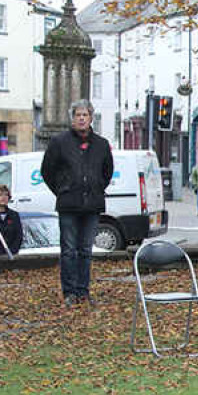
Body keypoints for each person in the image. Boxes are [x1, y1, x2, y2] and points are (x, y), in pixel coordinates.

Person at [41, 99, 114, 307]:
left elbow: (106, 171)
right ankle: (69, 292)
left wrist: (97, 187)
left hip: (92, 205)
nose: (81, 118)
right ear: (72, 118)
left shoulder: (100, 144)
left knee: (85, 250)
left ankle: (83, 291)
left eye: (85, 115)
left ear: (91, 118)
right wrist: (62, 190)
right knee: (68, 250)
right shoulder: (59, 142)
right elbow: (47, 171)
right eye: (77, 115)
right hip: (69, 205)